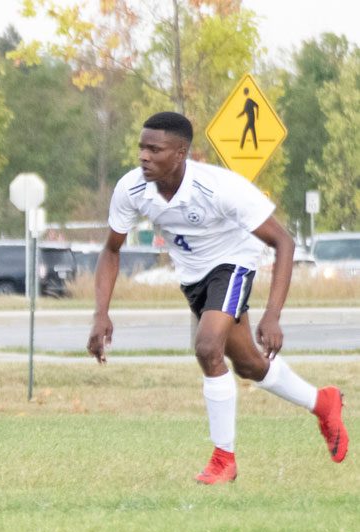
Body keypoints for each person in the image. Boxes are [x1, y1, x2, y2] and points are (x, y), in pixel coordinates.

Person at [87, 111, 348, 484]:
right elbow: (111, 250)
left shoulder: (219, 188)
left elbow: (283, 242)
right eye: (141, 147)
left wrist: (272, 316)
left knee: (208, 347)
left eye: (154, 149)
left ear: (180, 153)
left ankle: (224, 459)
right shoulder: (131, 188)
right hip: (194, 279)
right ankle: (323, 402)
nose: (144, 156)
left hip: (233, 264)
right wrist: (101, 313)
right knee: (249, 366)